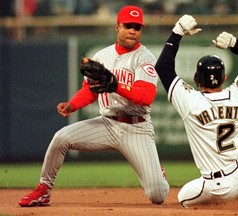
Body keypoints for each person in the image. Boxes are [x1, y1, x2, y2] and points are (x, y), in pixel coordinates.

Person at [18, 5, 169, 207]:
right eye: (128, 26)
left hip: (136, 128)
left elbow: (145, 97)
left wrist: (116, 85)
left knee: (157, 196)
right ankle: (43, 190)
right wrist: (73, 104)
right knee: (61, 137)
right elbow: (90, 89)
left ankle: (158, 174)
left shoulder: (145, 58)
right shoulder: (102, 56)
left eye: (137, 27)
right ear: (118, 27)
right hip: (106, 124)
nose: (133, 30)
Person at [155, 15, 238, 206]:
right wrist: (234, 43)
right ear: (224, 77)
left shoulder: (191, 101)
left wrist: (177, 32)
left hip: (218, 185)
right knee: (235, 179)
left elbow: (163, 67)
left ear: (197, 79)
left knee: (183, 198)